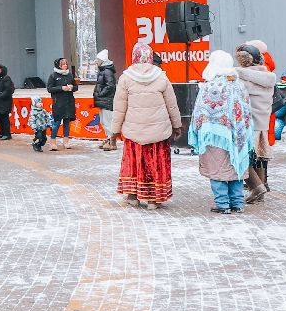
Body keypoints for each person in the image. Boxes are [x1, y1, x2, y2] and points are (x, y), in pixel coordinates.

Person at [111, 42, 181, 208]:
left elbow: (119, 107)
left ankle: (133, 196)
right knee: (155, 164)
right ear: (150, 57)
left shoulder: (126, 78)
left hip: (134, 132)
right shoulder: (161, 76)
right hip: (158, 132)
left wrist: (114, 131)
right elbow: (172, 104)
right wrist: (177, 125)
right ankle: (152, 200)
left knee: (134, 164)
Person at [189, 50, 256, 214]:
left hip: (215, 136)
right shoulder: (239, 85)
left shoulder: (210, 86)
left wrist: (196, 132)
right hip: (238, 136)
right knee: (236, 169)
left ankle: (223, 204)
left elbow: (200, 112)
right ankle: (238, 203)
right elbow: (247, 111)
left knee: (217, 169)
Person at [234, 41, 281, 203]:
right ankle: (262, 185)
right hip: (262, 122)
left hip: (247, 124)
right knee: (258, 156)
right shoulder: (268, 77)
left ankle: (256, 187)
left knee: (241, 157)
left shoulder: (241, 79)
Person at [46, 56, 78, 150]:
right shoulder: (53, 76)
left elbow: (76, 87)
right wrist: (61, 88)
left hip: (69, 102)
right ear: (59, 66)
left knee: (67, 122)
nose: (65, 66)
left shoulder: (69, 75)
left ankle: (66, 142)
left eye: (66, 64)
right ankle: (53, 142)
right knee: (57, 122)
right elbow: (49, 88)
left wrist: (72, 87)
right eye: (63, 64)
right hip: (58, 103)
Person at [92, 50, 118, 150]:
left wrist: (100, 94)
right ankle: (108, 139)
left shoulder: (107, 71)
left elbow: (110, 85)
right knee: (104, 121)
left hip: (106, 100)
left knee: (108, 121)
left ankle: (112, 142)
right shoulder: (103, 70)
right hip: (103, 100)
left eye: (98, 59)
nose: (96, 61)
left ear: (102, 61)